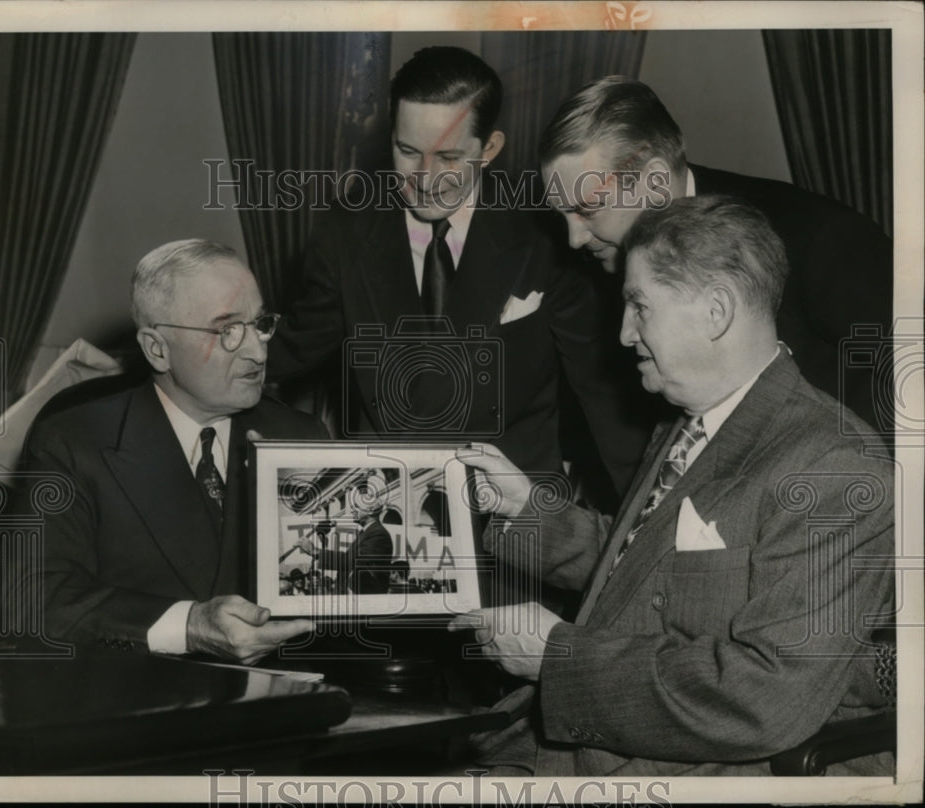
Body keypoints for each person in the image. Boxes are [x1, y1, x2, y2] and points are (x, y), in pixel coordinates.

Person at [451, 197, 895, 776]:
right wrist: (526, 511)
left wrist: (558, 658)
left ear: (716, 311)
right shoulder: (687, 423)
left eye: (639, 306)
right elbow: (648, 571)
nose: (623, 333)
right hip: (593, 741)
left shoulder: (834, 466)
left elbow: (764, 697)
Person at [267, 46, 652, 497]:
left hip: (511, 510)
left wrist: (645, 516)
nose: (424, 178)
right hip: (387, 507)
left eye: (448, 156)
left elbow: (603, 393)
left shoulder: (546, 230)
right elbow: (296, 345)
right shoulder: (346, 231)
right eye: (407, 150)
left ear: (489, 148)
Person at [18, 239, 325, 664]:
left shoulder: (299, 436)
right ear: (157, 349)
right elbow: (35, 602)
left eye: (260, 324)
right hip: (139, 694)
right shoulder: (72, 442)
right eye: (227, 331)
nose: (258, 351)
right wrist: (190, 626)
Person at [537, 76, 893, 435]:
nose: (574, 240)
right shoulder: (602, 264)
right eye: (561, 214)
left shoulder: (819, 236)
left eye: (588, 209)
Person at [298, 492, 394, 595]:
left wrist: (316, 552)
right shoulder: (366, 532)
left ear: (370, 511)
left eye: (356, 506)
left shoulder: (378, 534)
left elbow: (353, 561)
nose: (352, 510)